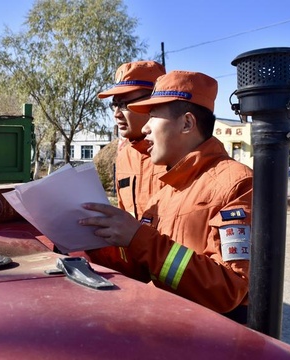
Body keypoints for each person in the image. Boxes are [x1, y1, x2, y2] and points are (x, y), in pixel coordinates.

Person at [80, 70, 253, 323]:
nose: (146, 128)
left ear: (187, 123)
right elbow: (142, 270)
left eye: (152, 116)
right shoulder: (164, 192)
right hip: (168, 325)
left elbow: (228, 290)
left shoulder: (236, 183)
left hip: (211, 337)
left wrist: (140, 238)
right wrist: (95, 240)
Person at [97, 60, 166, 218]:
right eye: (114, 104)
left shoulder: (183, 157)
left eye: (124, 104)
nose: (116, 113)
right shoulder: (124, 157)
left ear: (153, 102)